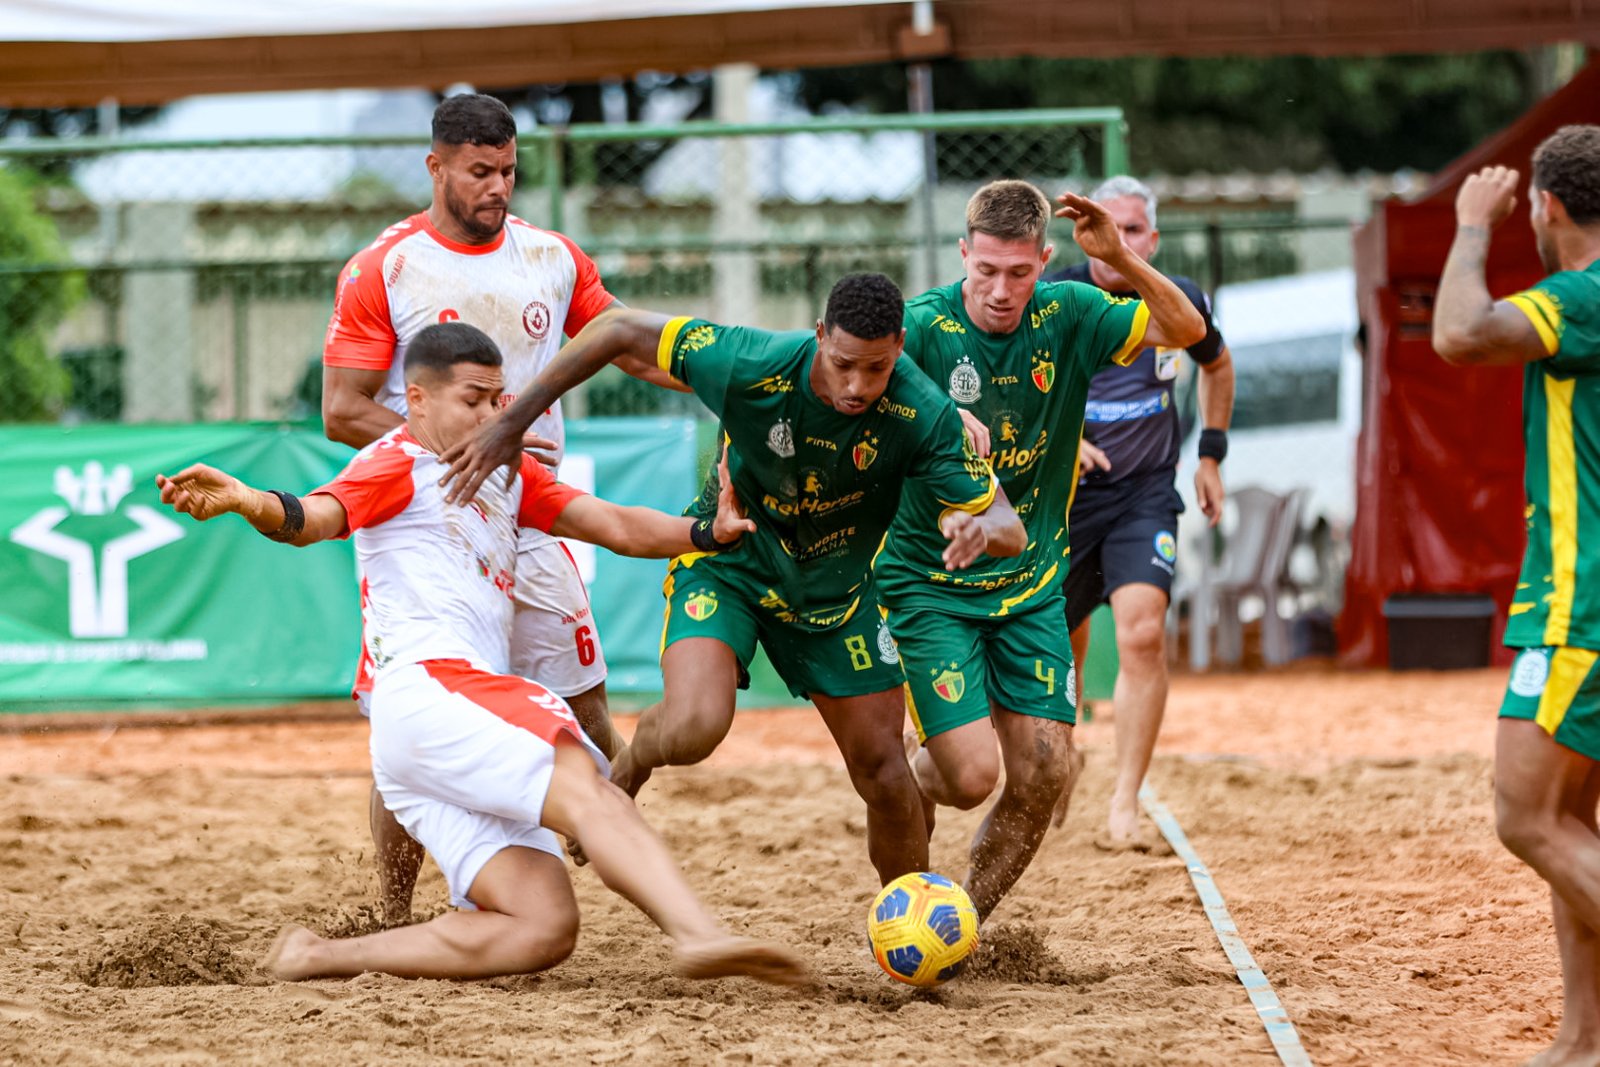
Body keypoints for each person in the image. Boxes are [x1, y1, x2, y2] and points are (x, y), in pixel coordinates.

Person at [158, 322, 804, 986]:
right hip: (437, 688)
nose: (496, 413)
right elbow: (313, 518)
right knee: (592, 785)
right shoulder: (397, 459)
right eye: (475, 399)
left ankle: (316, 956)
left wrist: (707, 532)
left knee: (543, 924)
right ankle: (699, 935)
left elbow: (614, 524)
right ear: (418, 400)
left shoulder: (507, 472)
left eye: (501, 399)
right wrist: (246, 500)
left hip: (422, 735)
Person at [439, 272, 1025, 887]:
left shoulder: (923, 413)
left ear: (900, 347)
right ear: (820, 335)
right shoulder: (754, 362)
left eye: (876, 369)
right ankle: (632, 764)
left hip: (836, 593)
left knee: (883, 771)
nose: (858, 386)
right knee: (694, 728)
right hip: (730, 559)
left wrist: (980, 532)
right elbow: (615, 328)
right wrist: (512, 422)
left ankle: (909, 916)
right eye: (845, 363)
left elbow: (1008, 525)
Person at [320, 92, 665, 922]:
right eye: (480, 171)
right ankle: (393, 907)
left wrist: (733, 376)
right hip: (428, 527)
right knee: (409, 726)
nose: (498, 187)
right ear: (436, 166)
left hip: (528, 516)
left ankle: (613, 832)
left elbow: (630, 346)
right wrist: (472, 449)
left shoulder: (550, 257)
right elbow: (341, 408)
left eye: (509, 170)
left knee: (584, 697)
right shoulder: (386, 267)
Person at [879, 179, 1206, 921]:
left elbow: (1186, 329)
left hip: (1030, 583)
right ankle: (902, 768)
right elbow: (836, 374)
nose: (1000, 290)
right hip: (933, 580)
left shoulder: (1072, 312)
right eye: (985, 271)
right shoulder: (921, 328)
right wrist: (933, 414)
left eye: (1019, 273)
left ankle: (958, 923)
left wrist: (1119, 253)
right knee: (968, 778)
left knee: (1044, 774)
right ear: (963, 255)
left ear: (1044, 261)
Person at [1432, 125, 1600, 1066]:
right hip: (1586, 600)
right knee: (1571, 824)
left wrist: (1467, 228)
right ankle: (1582, 1043)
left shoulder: (1582, 293)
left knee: (1525, 817)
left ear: (1544, 207)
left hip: (1582, 604)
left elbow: (1459, 333)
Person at [1043, 175, 1235, 850]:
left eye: (1130, 230)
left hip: (1144, 493)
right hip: (1062, 499)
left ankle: (1125, 803)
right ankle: (1061, 752)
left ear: (1150, 240)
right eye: (1106, 226)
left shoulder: (1176, 302)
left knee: (1143, 633)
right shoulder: (1055, 298)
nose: (1115, 241)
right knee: (1059, 642)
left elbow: (1217, 362)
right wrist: (1068, 439)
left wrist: (1210, 454)